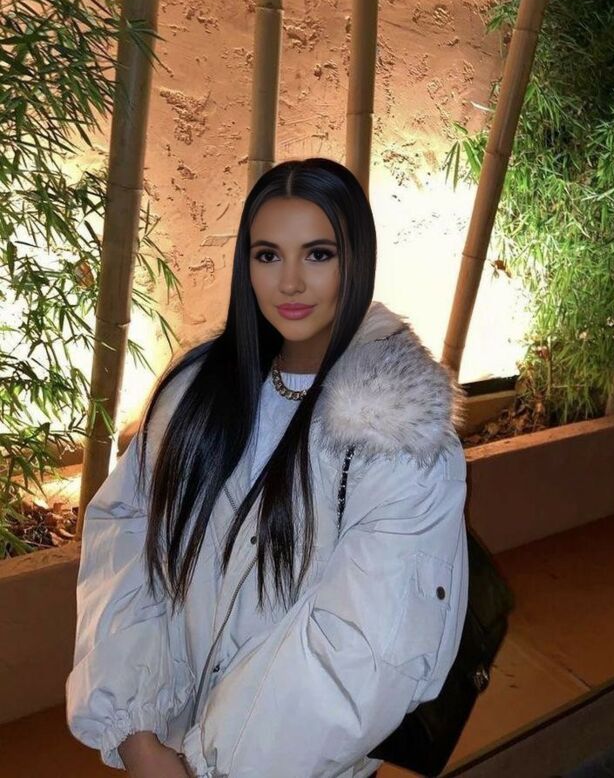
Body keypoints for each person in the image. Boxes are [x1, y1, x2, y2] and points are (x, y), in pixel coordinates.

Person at [66, 157, 469, 778]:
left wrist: (205, 766)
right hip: (163, 739)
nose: (290, 283)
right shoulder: (195, 391)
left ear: (356, 260)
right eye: (267, 255)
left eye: (318, 254)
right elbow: (125, 537)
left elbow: (360, 652)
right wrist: (136, 729)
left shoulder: (396, 438)